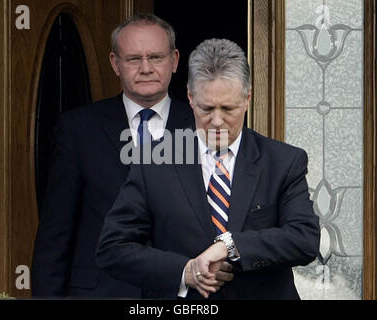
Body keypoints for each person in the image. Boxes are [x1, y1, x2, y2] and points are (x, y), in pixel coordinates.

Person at [96, 38, 320, 300]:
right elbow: (112, 248)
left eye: (228, 108)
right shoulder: (153, 160)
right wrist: (185, 272)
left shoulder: (283, 161)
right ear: (190, 97)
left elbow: (304, 238)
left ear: (247, 98)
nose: (216, 121)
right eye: (206, 108)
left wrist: (230, 246)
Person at [31, 14, 194, 298]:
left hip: (181, 294)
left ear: (175, 60)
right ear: (114, 64)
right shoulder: (78, 129)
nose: (145, 68)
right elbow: (55, 234)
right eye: (133, 59)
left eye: (155, 57)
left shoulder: (203, 128)